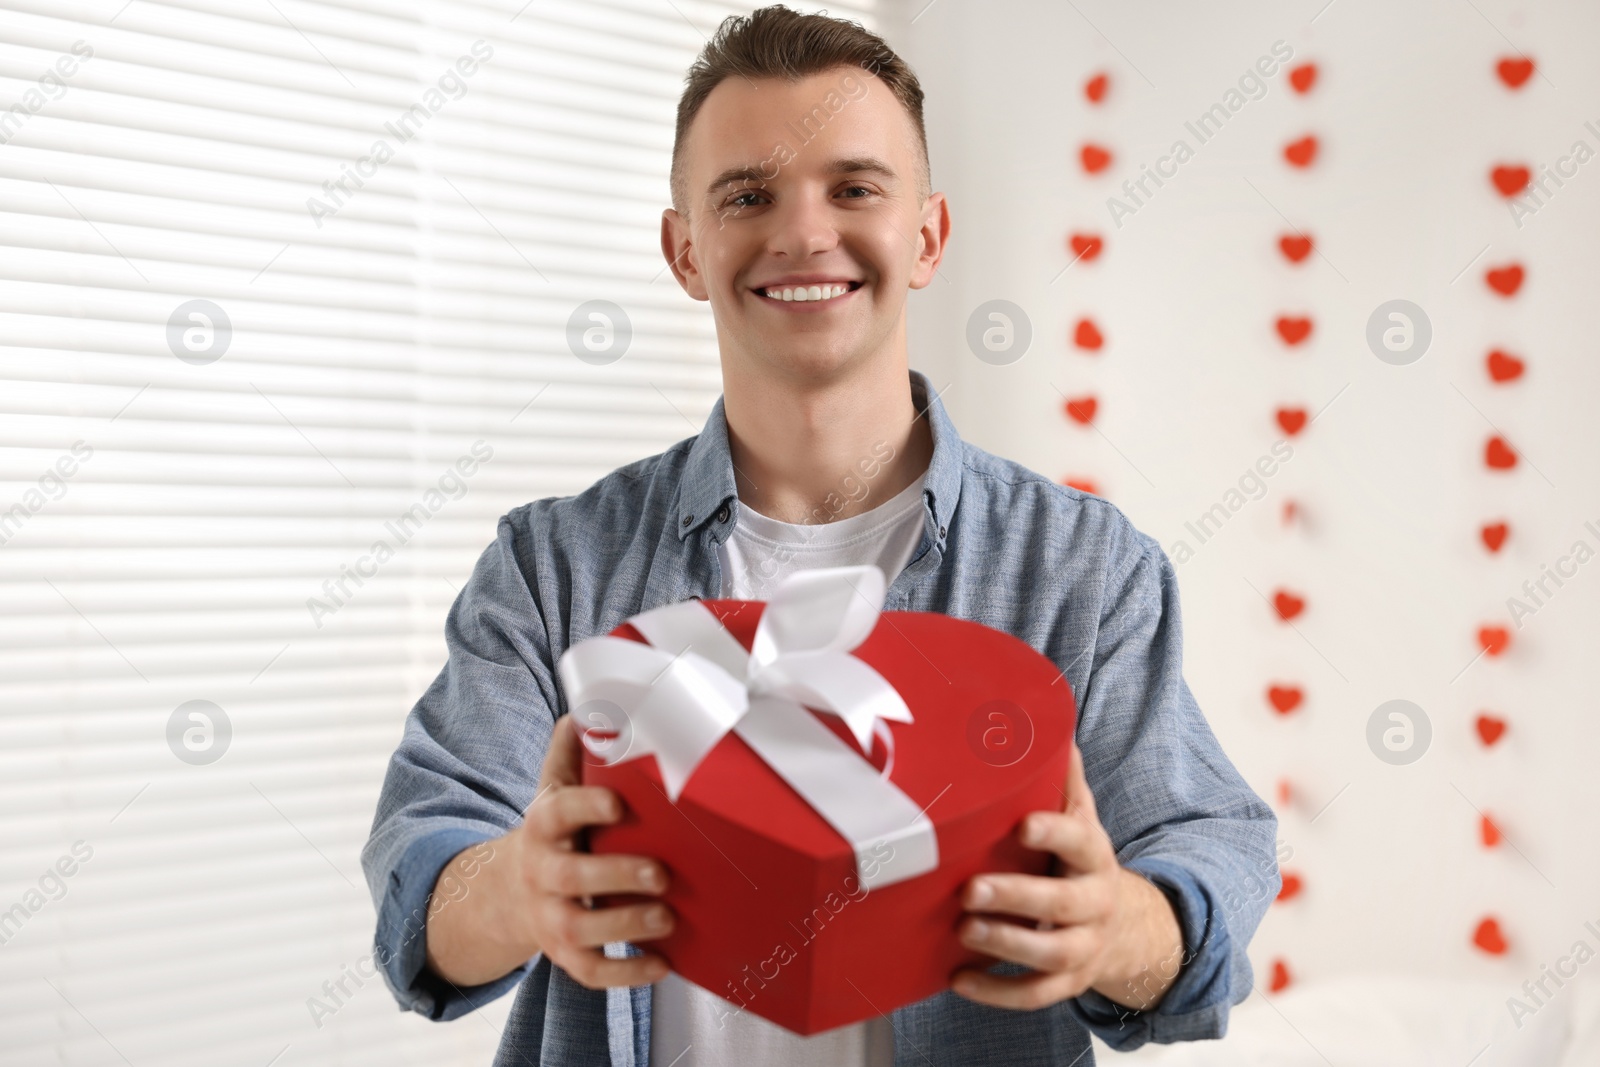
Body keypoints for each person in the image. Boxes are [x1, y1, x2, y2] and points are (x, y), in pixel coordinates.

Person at [359, 7, 1279, 1065]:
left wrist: (1117, 923)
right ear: (684, 249)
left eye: (854, 188)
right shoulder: (549, 567)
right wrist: (519, 889)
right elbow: (419, 884)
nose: (802, 233)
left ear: (925, 236)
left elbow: (1208, 851)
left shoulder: (1085, 569)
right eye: (747, 195)